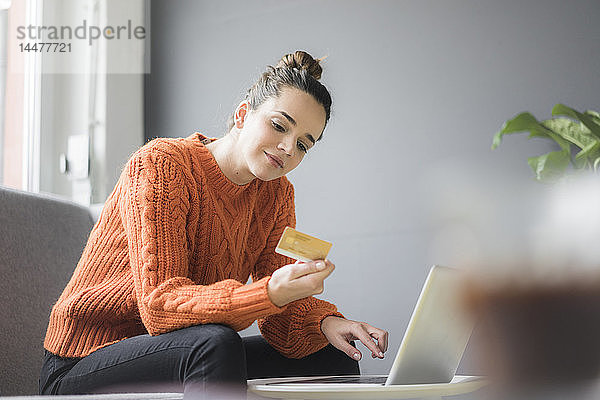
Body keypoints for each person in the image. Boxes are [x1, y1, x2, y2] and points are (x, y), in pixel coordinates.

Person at [39, 50, 389, 399]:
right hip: (85, 359)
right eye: (279, 126)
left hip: (184, 349)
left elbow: (280, 320)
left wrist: (326, 323)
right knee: (215, 342)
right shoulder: (162, 165)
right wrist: (269, 292)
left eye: (302, 145)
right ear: (242, 115)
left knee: (330, 357)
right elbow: (160, 306)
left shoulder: (277, 194)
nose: (287, 148)